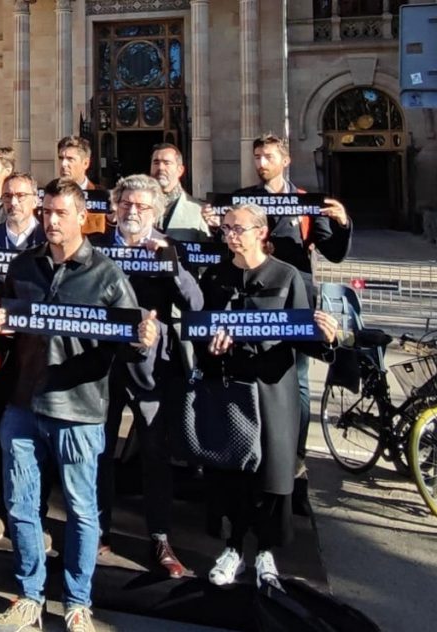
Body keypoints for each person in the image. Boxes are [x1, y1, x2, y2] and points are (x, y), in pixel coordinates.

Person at [0, 178, 158, 632]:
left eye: (60, 213)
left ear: (83, 216)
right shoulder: (24, 267)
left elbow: (130, 343)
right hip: (23, 405)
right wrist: (0, 322)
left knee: (82, 511)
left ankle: (78, 601)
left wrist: (144, 340)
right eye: (46, 213)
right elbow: (5, 329)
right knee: (22, 507)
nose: (51, 221)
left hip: (79, 412)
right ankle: (29, 595)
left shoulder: (106, 275)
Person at [206, 133, 351, 513]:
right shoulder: (243, 200)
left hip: (293, 298)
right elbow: (225, 243)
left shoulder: (304, 203)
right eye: (257, 156)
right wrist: (213, 225)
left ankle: (294, 459)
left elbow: (332, 252)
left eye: (268, 156)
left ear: (285, 160)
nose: (261, 162)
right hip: (251, 299)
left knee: (296, 383)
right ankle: (242, 449)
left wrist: (341, 224)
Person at [196, 203, 338, 587]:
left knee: (272, 474)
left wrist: (326, 335)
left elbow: (303, 336)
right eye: (226, 229)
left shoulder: (288, 276)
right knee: (230, 473)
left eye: (238, 229)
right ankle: (232, 547)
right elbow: (200, 332)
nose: (230, 236)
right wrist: (212, 347)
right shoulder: (215, 276)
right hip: (230, 389)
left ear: (261, 232)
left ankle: (265, 552)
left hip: (273, 390)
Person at [91, 174, 203, 578]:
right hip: (103, 368)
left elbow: (194, 303)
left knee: (155, 455)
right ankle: (99, 530)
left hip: (153, 371)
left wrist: (170, 263)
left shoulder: (166, 250)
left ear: (155, 212)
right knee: (99, 451)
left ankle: (159, 537)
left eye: (141, 206)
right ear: (114, 209)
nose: (132, 212)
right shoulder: (98, 248)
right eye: (125, 205)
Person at [0, 172, 46, 544]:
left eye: (20, 195)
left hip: (38, 351)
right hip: (0, 348)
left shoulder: (46, 240)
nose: (13, 202)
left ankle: (40, 515)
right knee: (4, 430)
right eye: (7, 196)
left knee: (41, 435)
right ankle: (3, 507)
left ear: (35, 199)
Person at [149, 144, 211, 242]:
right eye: (156, 162)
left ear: (180, 170)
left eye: (167, 163)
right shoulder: (134, 207)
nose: (160, 167)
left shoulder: (199, 210)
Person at [56, 136, 106, 236]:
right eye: (61, 158)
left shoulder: (101, 195)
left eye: (70, 159)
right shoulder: (50, 193)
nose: (63, 164)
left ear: (86, 163)